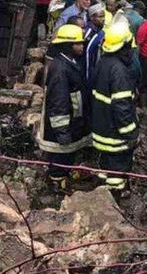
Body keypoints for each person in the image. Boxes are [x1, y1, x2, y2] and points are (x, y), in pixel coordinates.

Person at [37, 25, 90, 192]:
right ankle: (56, 184)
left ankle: (62, 178)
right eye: (78, 44)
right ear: (68, 45)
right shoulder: (60, 69)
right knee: (60, 157)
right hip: (63, 124)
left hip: (72, 119)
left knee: (67, 156)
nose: (82, 46)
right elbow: (58, 102)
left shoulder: (70, 62)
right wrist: (62, 131)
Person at [91, 22, 138, 198]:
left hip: (101, 127)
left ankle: (103, 188)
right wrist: (130, 133)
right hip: (115, 134)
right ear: (125, 46)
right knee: (117, 168)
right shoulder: (119, 71)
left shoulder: (103, 62)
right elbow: (122, 106)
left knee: (105, 164)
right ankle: (114, 197)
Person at [84, 3, 106, 83]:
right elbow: (87, 55)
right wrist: (88, 79)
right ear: (92, 17)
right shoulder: (90, 33)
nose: (103, 19)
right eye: (100, 17)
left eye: (103, 16)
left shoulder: (100, 30)